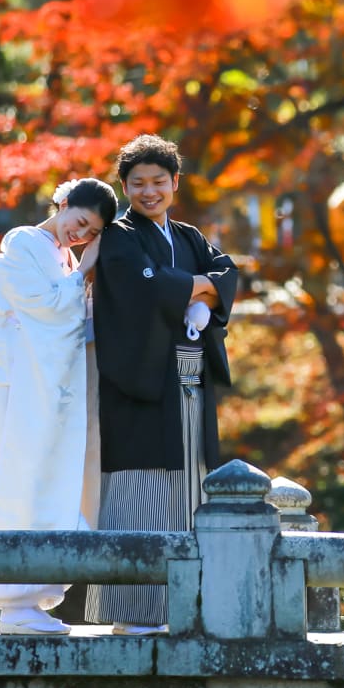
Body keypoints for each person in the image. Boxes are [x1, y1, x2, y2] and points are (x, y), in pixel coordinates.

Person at [85, 135, 238, 635]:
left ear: (175, 183)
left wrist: (195, 284)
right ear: (124, 187)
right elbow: (143, 289)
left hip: (190, 384)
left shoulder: (189, 235)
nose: (148, 192)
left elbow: (228, 272)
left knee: (189, 490)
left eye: (158, 182)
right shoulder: (120, 237)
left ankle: (183, 610)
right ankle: (133, 612)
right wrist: (197, 287)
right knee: (139, 492)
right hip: (141, 386)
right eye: (137, 184)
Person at [0, 177, 118, 635]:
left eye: (91, 232)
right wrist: (83, 270)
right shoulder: (25, 239)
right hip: (18, 387)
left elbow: (64, 315)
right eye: (80, 221)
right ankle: (12, 600)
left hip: (40, 387)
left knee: (46, 480)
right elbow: (46, 309)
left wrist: (79, 271)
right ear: (64, 202)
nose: (81, 235)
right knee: (17, 478)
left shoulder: (64, 256)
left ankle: (31, 598)